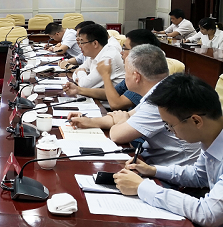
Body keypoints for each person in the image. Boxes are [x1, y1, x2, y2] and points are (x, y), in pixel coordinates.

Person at [113, 74, 223, 227]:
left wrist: (142, 187)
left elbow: (208, 214)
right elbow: (198, 175)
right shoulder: (212, 136)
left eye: (169, 126)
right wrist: (153, 171)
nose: (170, 131)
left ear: (196, 120)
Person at [69, 44, 200, 166]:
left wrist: (123, 120)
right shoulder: (159, 89)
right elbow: (128, 115)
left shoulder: (162, 99)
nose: (124, 76)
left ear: (136, 76)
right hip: (152, 162)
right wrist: (89, 121)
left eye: (126, 71)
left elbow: (117, 135)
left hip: (171, 172)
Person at [64, 29, 160, 110]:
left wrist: (105, 75)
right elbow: (110, 93)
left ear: (139, 52)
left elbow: (116, 104)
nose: (121, 52)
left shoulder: (147, 79)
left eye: (124, 48)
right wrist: (78, 90)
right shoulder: (136, 71)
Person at [71, 24, 124, 89]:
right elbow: (76, 73)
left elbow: (84, 85)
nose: (79, 46)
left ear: (95, 43)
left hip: (111, 95)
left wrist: (80, 73)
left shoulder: (108, 58)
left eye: (82, 42)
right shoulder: (94, 54)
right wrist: (81, 76)